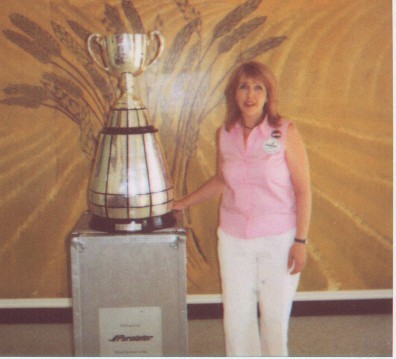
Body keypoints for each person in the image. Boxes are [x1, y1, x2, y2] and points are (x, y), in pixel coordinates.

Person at [173, 61, 311, 356]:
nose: (251, 94)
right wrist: (185, 202)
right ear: (234, 94)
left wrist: (300, 241)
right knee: (236, 319)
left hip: (278, 239)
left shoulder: (285, 132)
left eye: (258, 87)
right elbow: (223, 180)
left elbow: (303, 190)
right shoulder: (226, 134)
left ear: (268, 94)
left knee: (274, 320)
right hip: (234, 240)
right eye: (244, 87)